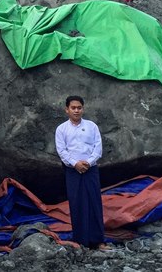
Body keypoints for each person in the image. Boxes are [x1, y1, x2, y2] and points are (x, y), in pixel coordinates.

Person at [55, 96, 106, 249]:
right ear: (67, 110)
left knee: (94, 202)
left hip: (91, 169)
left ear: (83, 109)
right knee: (77, 203)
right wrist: (75, 163)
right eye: (73, 108)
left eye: (79, 107)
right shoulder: (61, 129)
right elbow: (61, 150)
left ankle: (98, 241)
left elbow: (98, 148)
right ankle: (81, 242)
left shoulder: (92, 126)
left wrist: (88, 163)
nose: (76, 110)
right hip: (72, 170)